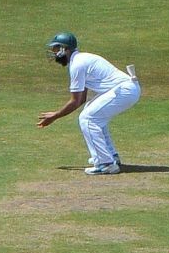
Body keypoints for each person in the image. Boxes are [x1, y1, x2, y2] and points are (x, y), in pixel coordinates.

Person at [37, 31, 140, 175]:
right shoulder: (81, 60)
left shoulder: (77, 65)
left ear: (64, 49)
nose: (53, 53)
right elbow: (81, 99)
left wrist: (55, 116)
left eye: (55, 49)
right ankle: (110, 156)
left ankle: (106, 163)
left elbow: (75, 100)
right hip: (126, 90)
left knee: (88, 118)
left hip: (124, 91)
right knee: (91, 112)